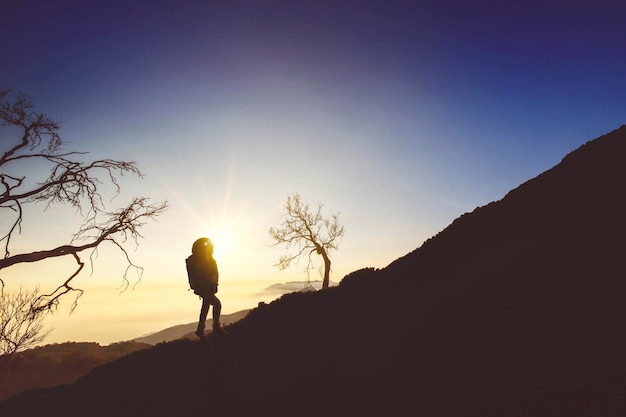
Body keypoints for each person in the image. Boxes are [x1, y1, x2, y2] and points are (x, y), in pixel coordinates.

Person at [186, 237, 227, 338]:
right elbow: (197, 274)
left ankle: (200, 330)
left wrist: (214, 282)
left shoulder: (208, 259)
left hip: (208, 286)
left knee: (206, 306)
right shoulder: (195, 260)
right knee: (217, 304)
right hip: (202, 287)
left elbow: (214, 272)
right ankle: (216, 327)